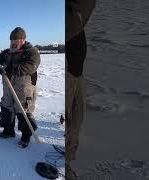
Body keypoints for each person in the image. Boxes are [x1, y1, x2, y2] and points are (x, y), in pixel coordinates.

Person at [0, 27, 40, 148]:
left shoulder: (31, 51)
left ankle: (25, 137)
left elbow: (30, 67)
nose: (13, 43)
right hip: (8, 86)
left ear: (23, 40)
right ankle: (8, 131)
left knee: (23, 110)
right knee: (6, 107)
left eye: (16, 40)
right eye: (11, 40)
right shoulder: (7, 53)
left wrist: (9, 69)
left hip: (24, 88)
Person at [65, 0, 95, 179]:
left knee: (76, 124)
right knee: (67, 124)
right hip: (67, 74)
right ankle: (63, 168)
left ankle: (66, 163)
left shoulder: (78, 12)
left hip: (78, 75)